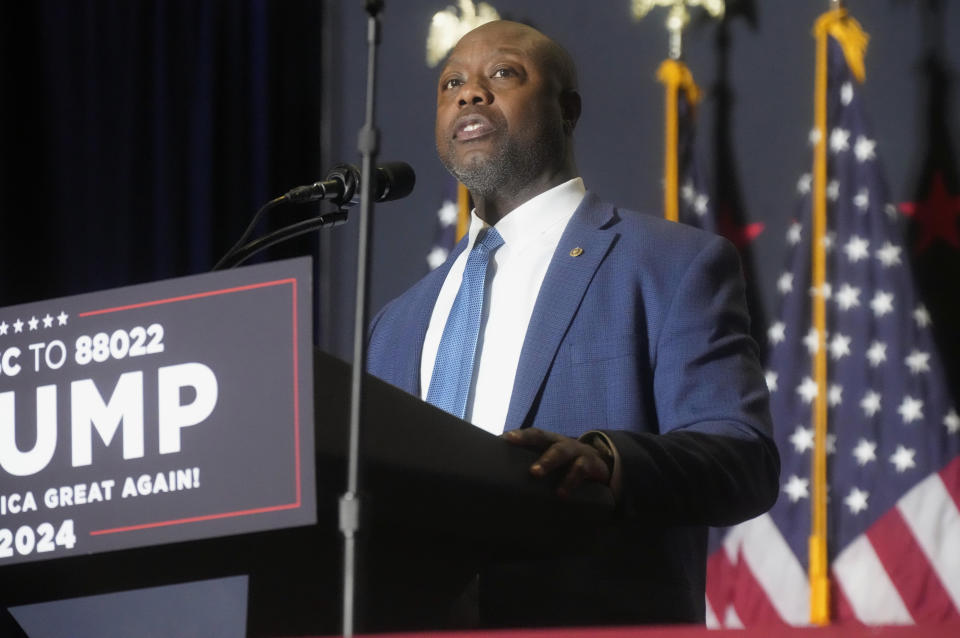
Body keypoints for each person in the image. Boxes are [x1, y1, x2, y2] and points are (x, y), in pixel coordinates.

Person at [366, 20, 779, 627]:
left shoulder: (671, 265)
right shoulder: (395, 323)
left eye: (502, 74)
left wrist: (611, 463)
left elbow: (743, 461)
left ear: (568, 109)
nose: (469, 93)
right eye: (451, 82)